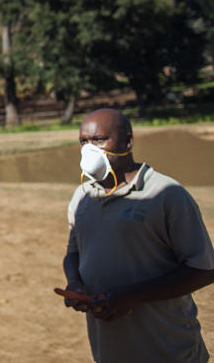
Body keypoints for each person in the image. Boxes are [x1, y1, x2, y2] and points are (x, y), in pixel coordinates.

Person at [62, 108, 214, 363]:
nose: (90, 150)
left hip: (167, 349)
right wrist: (75, 284)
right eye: (83, 142)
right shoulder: (82, 196)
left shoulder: (166, 194)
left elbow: (204, 269)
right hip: (110, 349)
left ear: (128, 142)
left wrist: (132, 297)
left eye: (99, 140)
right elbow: (74, 252)